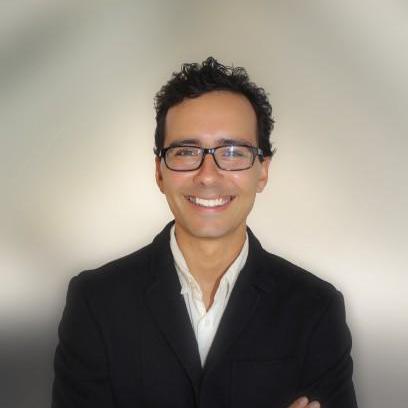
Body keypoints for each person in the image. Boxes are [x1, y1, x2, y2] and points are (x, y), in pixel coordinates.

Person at [52, 57, 358, 408]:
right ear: (160, 172)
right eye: (186, 151)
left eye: (233, 152)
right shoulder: (96, 302)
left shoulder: (314, 308)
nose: (208, 175)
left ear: (262, 171)